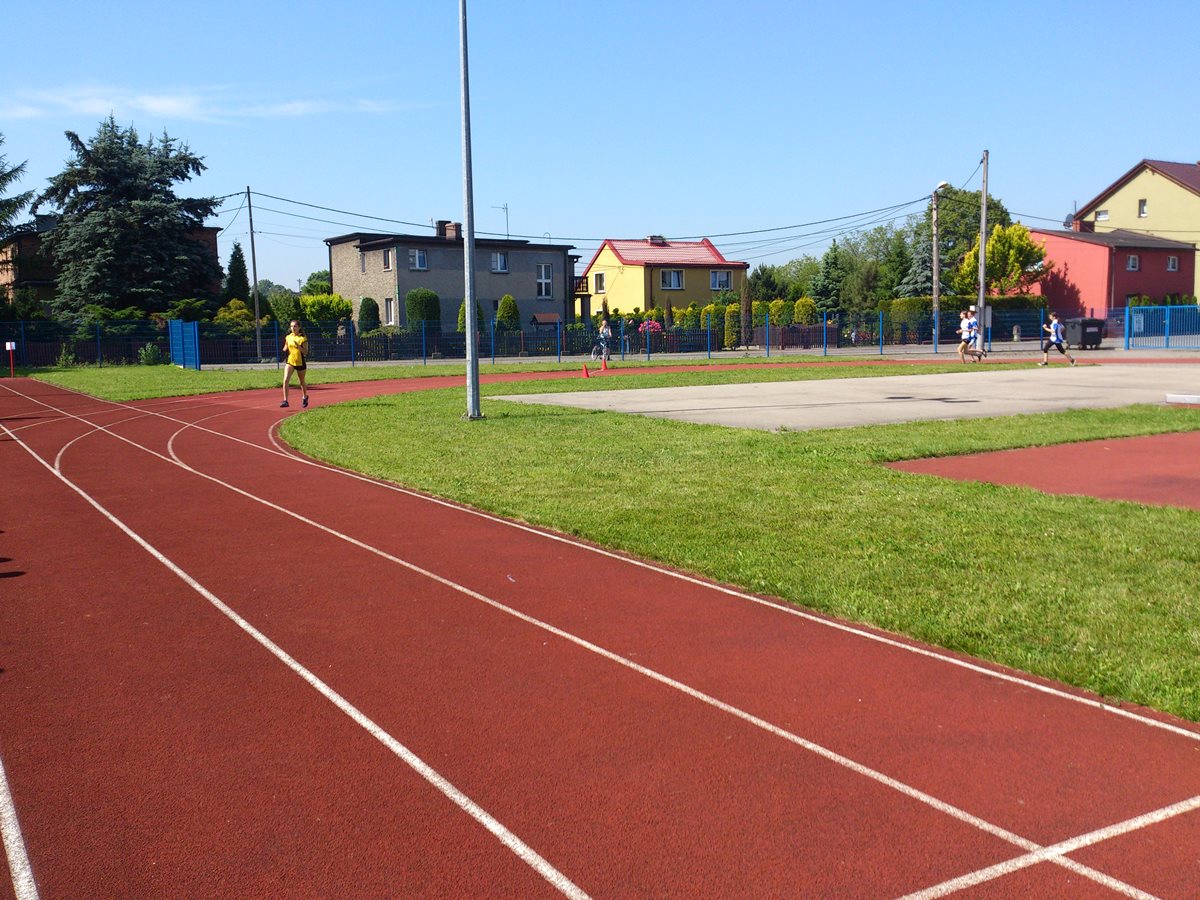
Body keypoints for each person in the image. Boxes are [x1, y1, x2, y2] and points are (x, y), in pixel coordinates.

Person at [281, 319, 310, 407]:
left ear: (299, 327)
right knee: (286, 379)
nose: (293, 328)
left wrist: (298, 346)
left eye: (295, 326)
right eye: (291, 326)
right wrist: (284, 349)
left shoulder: (302, 338)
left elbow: (305, 352)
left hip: (300, 362)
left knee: (301, 381)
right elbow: (285, 347)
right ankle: (285, 400)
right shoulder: (288, 337)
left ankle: (305, 396)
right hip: (290, 361)